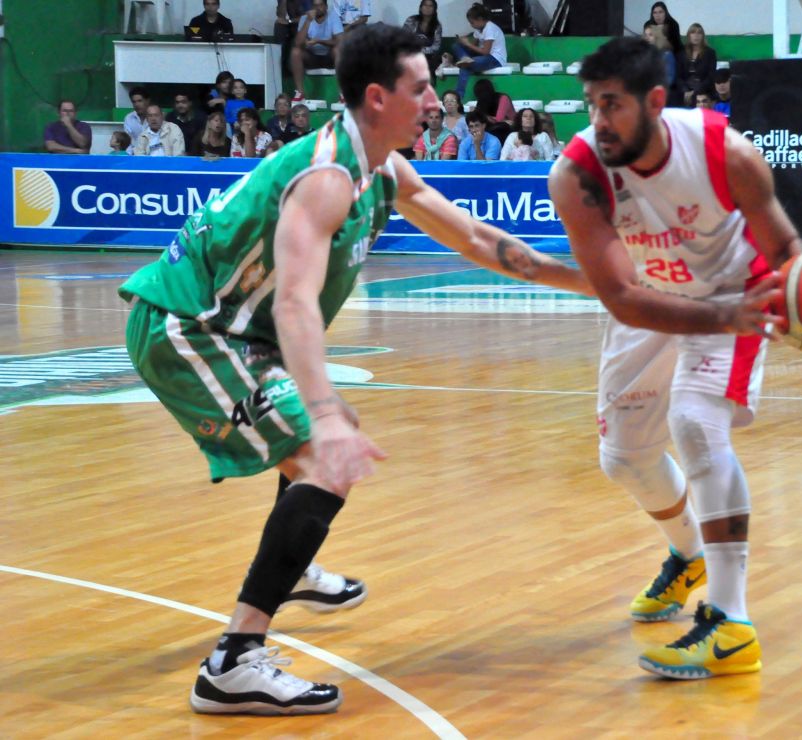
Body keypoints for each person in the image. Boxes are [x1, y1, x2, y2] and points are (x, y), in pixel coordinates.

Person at [118, 24, 589, 715]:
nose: (435, 100)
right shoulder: (326, 178)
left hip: (242, 329)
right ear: (377, 97)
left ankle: (290, 561)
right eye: (421, 88)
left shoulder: (383, 168)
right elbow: (294, 304)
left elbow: (475, 238)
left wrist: (591, 283)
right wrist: (325, 411)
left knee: (321, 447)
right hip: (189, 327)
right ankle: (233, 661)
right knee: (323, 454)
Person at [546, 36, 802, 680]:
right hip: (650, 299)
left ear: (656, 101)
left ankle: (731, 624)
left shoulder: (725, 152)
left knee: (694, 422)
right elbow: (622, 297)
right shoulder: (577, 176)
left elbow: (783, 247)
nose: (599, 120)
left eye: (613, 104)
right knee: (625, 458)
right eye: (592, 104)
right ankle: (691, 554)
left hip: (733, 293)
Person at [443, 3, 507, 98]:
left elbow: (485, 52)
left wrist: (468, 44)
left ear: (480, 19)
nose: (471, 25)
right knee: (456, 46)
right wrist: (463, 42)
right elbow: (473, 47)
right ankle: (465, 58)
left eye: (472, 22)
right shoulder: (479, 29)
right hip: (482, 56)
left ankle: (458, 95)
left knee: (465, 66)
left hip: (495, 59)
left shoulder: (490, 28)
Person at [290, 0, 344, 102]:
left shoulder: (333, 17)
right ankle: (300, 93)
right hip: (311, 56)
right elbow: (298, 43)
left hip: (329, 56)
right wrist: (308, 21)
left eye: (321, 5)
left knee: (339, 50)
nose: (318, 8)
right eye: (315, 5)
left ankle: (342, 94)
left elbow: (340, 41)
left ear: (326, 6)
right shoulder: (305, 18)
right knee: (295, 52)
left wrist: (319, 41)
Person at [677, 23, 717, 108]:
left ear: (703, 36)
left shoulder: (710, 53)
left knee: (698, 99)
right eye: (693, 32)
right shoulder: (681, 52)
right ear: (689, 35)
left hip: (704, 88)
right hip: (685, 89)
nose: (696, 36)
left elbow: (711, 76)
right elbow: (678, 76)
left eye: (699, 33)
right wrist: (685, 91)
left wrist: (695, 92)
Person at [403, 0, 443, 82]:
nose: (427, 8)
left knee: (433, 61)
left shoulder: (437, 26)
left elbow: (436, 46)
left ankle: (428, 84)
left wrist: (421, 51)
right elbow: (404, 39)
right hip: (411, 53)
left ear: (434, 9)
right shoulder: (411, 20)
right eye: (425, 5)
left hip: (428, 56)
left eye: (430, 6)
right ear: (420, 8)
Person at [472, 78, 514, 144]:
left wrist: (483, 116)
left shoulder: (503, 98)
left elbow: (498, 120)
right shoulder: (481, 102)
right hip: (491, 130)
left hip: (508, 130)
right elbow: (481, 119)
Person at [124, 86, 151, 153]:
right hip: (134, 155)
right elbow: (127, 142)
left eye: (140, 101)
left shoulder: (155, 117)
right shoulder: (129, 118)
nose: (137, 104)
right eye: (134, 102)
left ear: (147, 101)